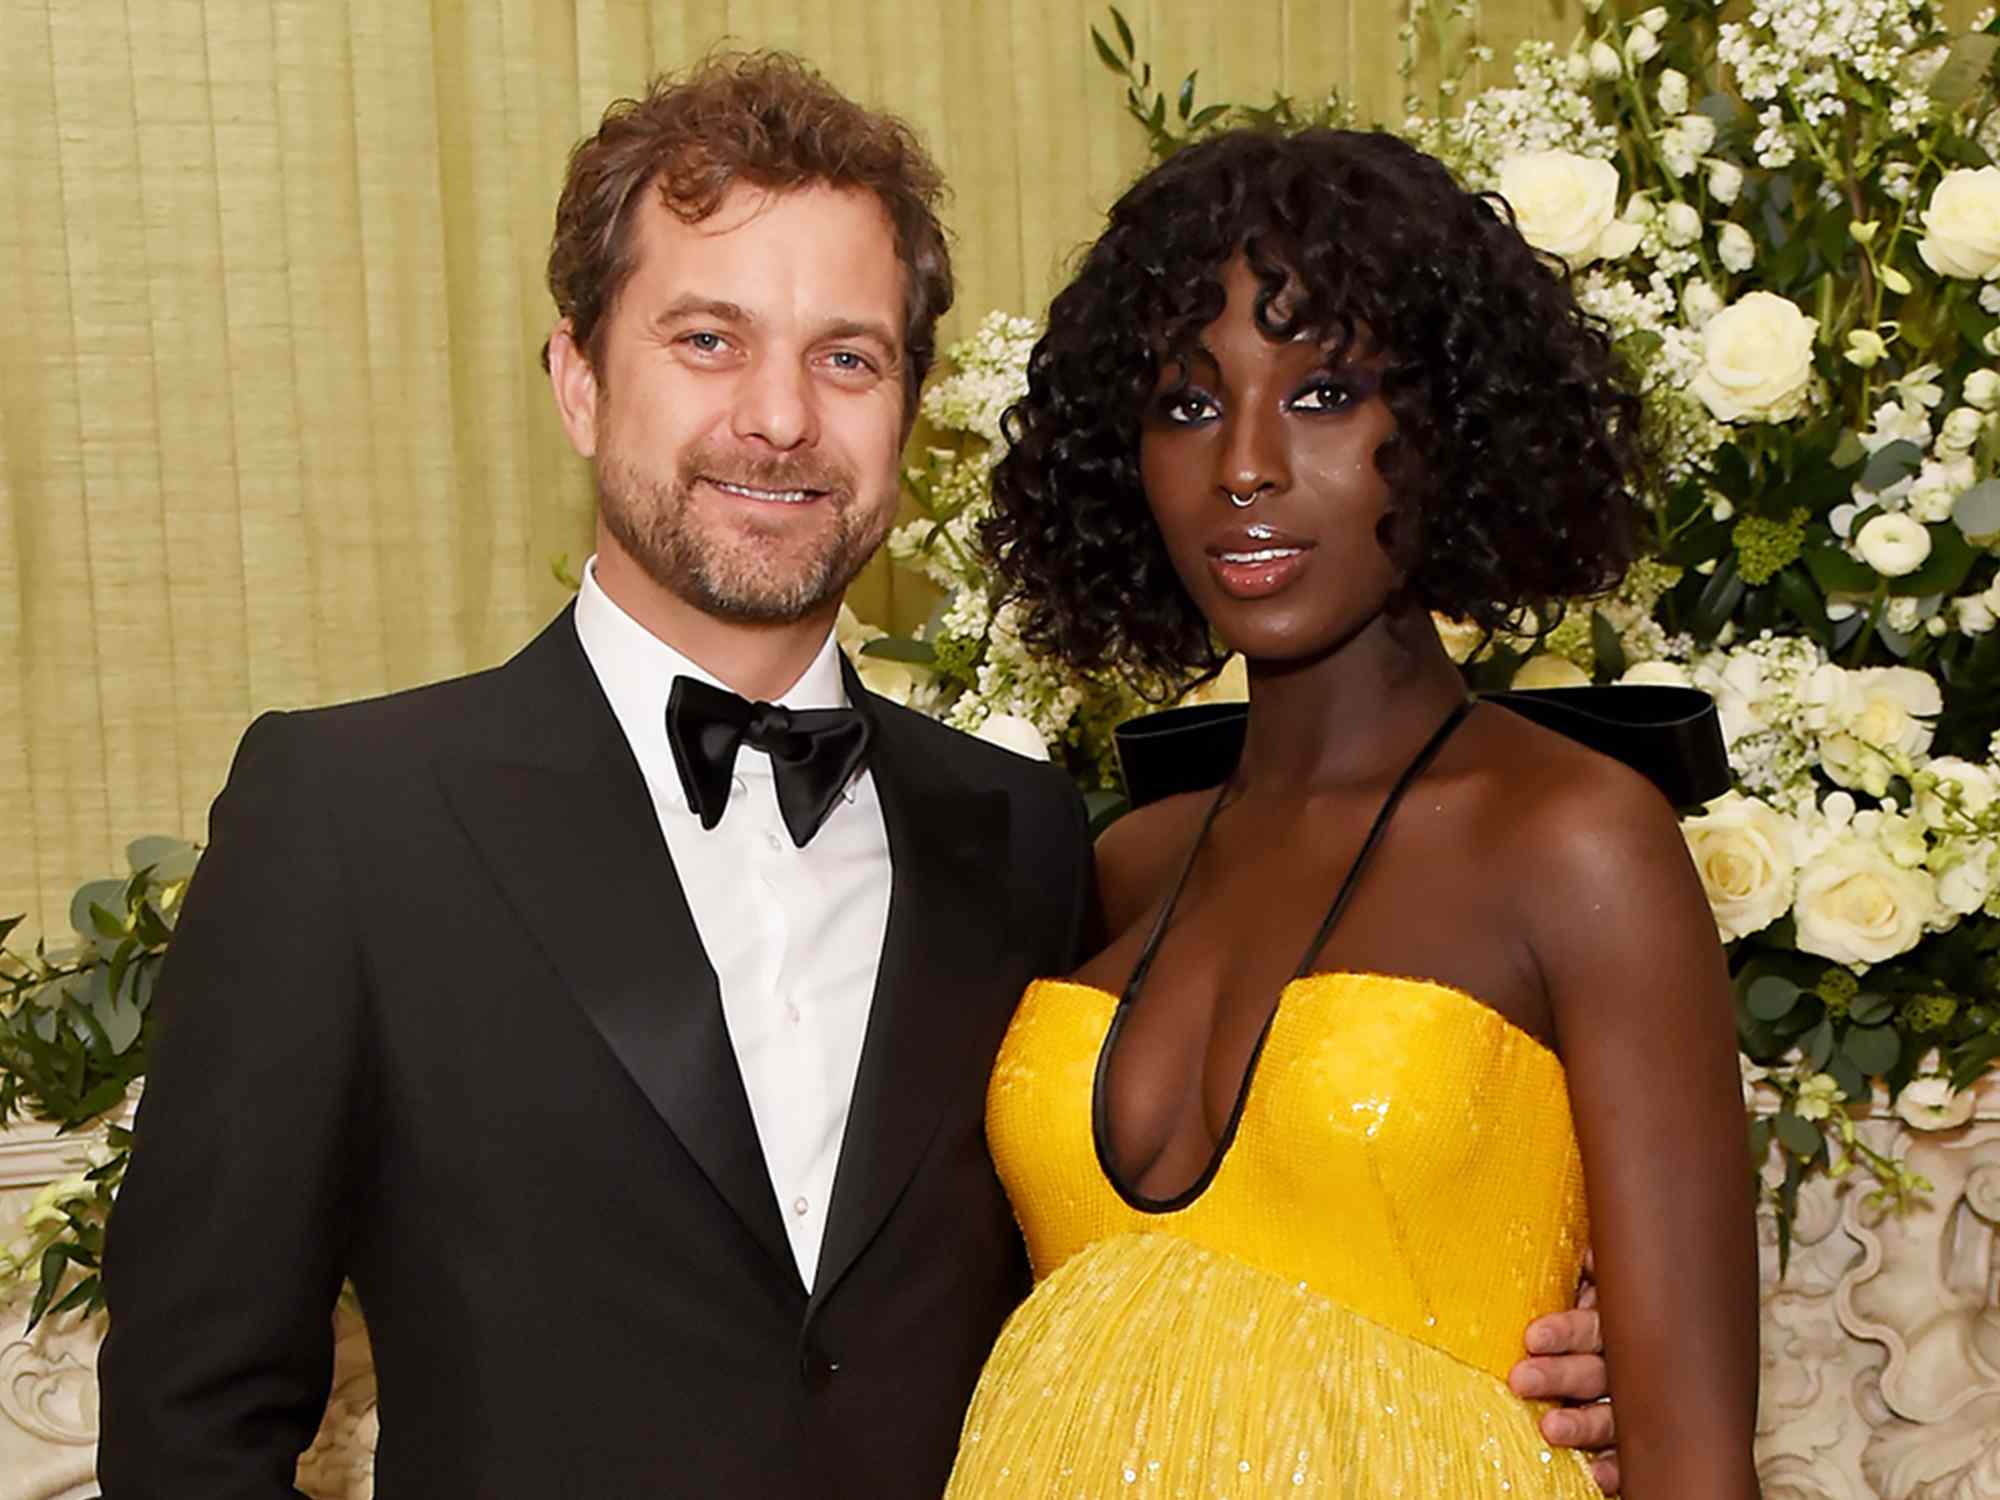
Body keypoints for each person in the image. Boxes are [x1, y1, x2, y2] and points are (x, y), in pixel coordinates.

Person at [95, 58, 1623, 1499]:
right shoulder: (351, 816)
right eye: (708, 341)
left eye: (847, 358)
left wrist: (1542, 1328)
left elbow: (1156, 1266)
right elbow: (193, 1419)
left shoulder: (1025, 838)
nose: (779, 418)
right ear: (575, 380)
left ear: (909, 412)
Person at [944, 128, 1759, 1500]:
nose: (1246, 466)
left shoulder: (1574, 841)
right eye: (1189, 406)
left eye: (1324, 394)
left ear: (1447, 429)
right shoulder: (1127, 866)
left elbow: (1690, 1463)